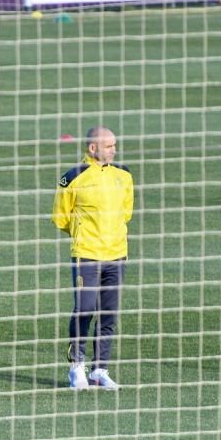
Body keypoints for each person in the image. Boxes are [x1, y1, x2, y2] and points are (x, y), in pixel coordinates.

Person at [52, 126, 134, 390]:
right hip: (86, 255)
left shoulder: (124, 175)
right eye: (108, 146)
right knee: (85, 310)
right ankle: (77, 367)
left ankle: (100, 369)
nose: (114, 150)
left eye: (114, 145)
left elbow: (126, 213)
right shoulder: (73, 177)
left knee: (108, 313)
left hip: (117, 254)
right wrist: (83, 234)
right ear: (92, 148)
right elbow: (61, 218)